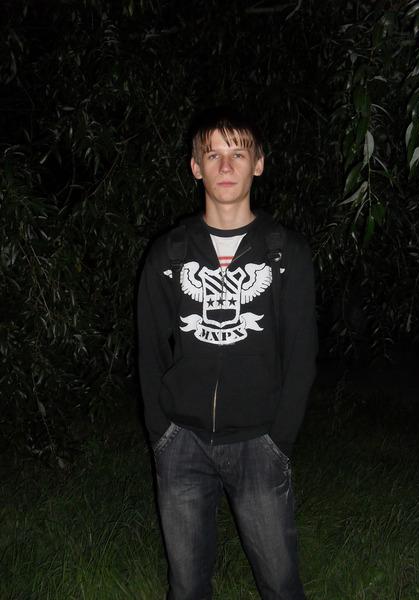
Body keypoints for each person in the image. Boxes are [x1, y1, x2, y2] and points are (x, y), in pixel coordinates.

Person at [137, 106, 317, 600]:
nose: (225, 166)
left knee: (280, 585)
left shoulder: (285, 253)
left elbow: (302, 354)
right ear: (195, 167)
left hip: (259, 442)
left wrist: (280, 438)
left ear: (258, 163)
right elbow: (149, 351)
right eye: (212, 154)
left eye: (238, 153)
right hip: (182, 443)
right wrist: (162, 433)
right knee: (187, 587)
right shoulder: (169, 253)